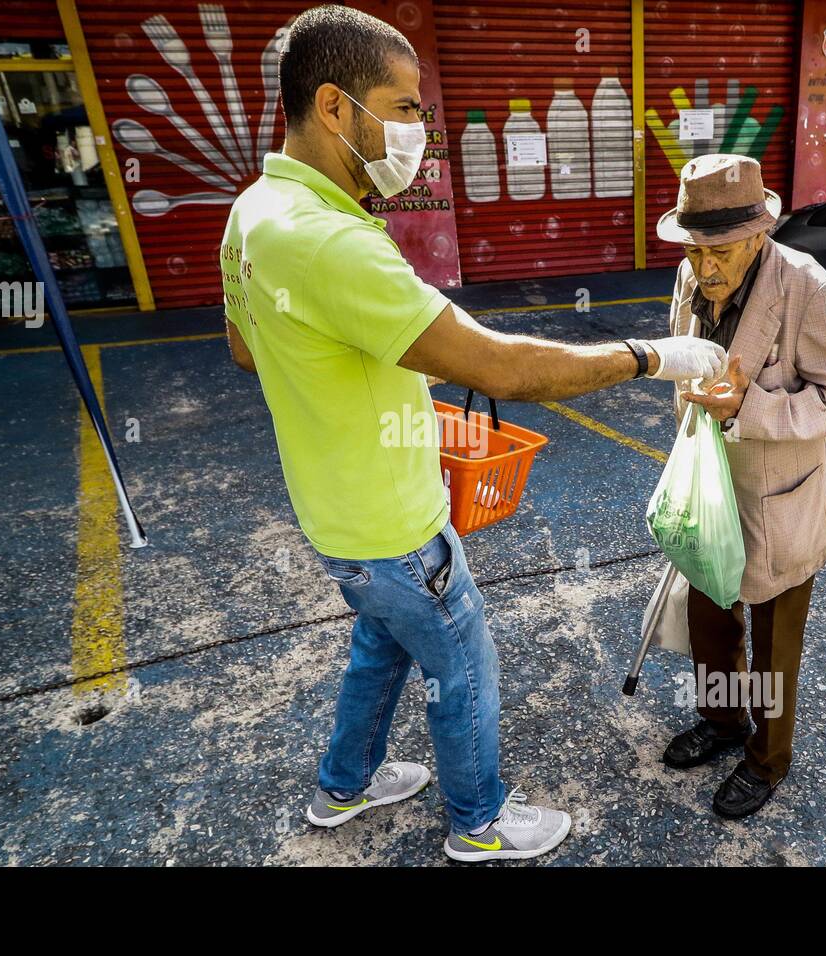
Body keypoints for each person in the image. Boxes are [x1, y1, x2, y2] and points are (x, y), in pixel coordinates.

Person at [219, 4, 723, 862]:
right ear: (337, 107)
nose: (423, 126)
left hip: (336, 517)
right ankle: (480, 823)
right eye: (408, 105)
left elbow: (247, 350)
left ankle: (343, 787)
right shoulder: (331, 242)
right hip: (396, 527)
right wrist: (653, 354)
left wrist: (378, 395)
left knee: (378, 651)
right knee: (464, 672)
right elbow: (504, 369)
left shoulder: (255, 212)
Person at [653, 153, 826, 818]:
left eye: (721, 248)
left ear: (759, 233)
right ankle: (723, 726)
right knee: (711, 625)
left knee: (776, 647)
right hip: (709, 491)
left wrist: (751, 411)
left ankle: (767, 760)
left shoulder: (811, 289)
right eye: (695, 246)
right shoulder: (691, 273)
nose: (706, 264)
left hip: (783, 504)